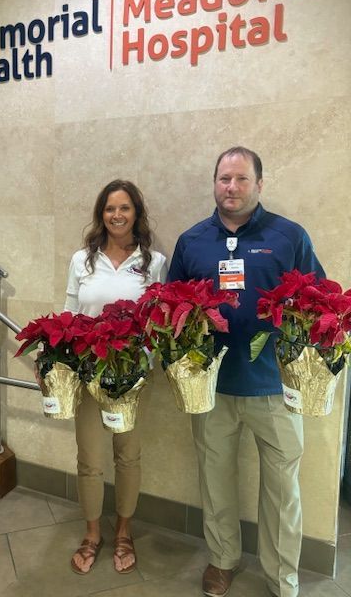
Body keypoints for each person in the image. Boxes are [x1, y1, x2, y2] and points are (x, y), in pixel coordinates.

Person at [168, 147, 324, 597]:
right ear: (214, 183)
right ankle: (222, 560)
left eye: (240, 179)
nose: (230, 188)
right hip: (210, 387)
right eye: (223, 179)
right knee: (215, 481)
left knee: (282, 490)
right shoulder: (192, 241)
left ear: (259, 183)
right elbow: (170, 306)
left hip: (276, 387)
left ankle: (282, 576)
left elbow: (317, 302)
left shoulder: (289, 236)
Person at [64, 179, 167, 575]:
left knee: (128, 456)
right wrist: (56, 364)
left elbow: (160, 322)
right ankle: (92, 533)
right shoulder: (82, 261)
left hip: (132, 379)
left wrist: (142, 366)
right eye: (110, 209)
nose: (117, 215)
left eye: (125, 208)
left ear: (136, 213)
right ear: (101, 214)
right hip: (88, 374)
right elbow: (69, 314)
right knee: (89, 458)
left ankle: (124, 531)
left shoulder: (153, 262)